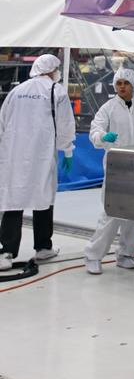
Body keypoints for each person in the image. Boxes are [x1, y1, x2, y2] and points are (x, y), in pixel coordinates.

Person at [0, 54, 75, 271]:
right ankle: (43, 248)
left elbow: (2, 121)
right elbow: (65, 124)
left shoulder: (17, 91)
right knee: (44, 199)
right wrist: (67, 150)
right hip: (41, 154)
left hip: (14, 154)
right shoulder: (56, 90)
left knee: (13, 199)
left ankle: (6, 252)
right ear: (52, 70)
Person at [84, 68, 134, 275]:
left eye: (125, 83)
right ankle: (93, 255)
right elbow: (95, 130)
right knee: (111, 214)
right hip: (117, 167)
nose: (121, 86)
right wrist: (103, 137)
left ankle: (126, 254)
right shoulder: (108, 108)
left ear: (133, 85)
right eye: (118, 83)